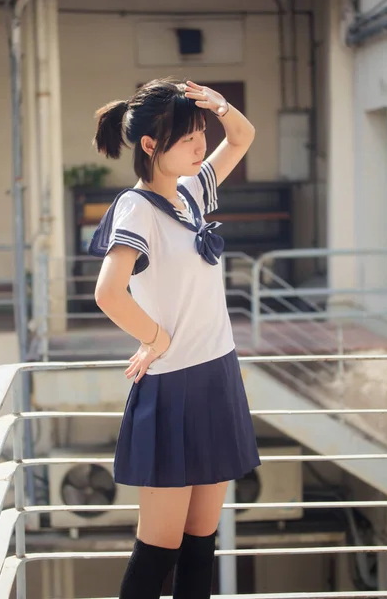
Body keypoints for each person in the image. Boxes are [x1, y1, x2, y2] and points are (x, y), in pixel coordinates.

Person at [89, 78, 261, 599]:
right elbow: (108, 293)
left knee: (199, 544)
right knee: (157, 551)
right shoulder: (136, 208)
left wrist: (218, 104)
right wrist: (155, 338)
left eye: (199, 134)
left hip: (218, 374)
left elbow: (243, 137)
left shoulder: (189, 192)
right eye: (187, 137)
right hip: (174, 386)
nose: (199, 145)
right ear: (149, 146)